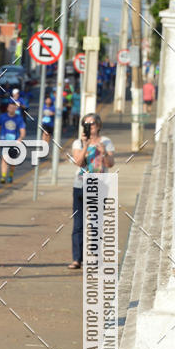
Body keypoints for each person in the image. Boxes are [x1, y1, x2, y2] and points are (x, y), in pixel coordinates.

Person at [69, 112, 115, 270]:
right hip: (80, 185)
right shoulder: (78, 143)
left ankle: (95, 257)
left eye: (92, 124)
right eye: (86, 125)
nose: (90, 127)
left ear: (99, 126)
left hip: (100, 185)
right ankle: (77, 259)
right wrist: (86, 145)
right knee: (78, 225)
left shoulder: (106, 142)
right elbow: (78, 162)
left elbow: (110, 164)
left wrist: (102, 152)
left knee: (96, 223)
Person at [0, 100, 26, 184]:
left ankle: (10, 175)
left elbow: (22, 131)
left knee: (12, 162)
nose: (11, 109)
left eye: (13, 107)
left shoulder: (19, 118)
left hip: (14, 143)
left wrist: (20, 138)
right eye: (10, 107)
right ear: (7, 108)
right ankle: (3, 176)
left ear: (15, 109)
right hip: (4, 141)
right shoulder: (2, 117)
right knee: (4, 159)